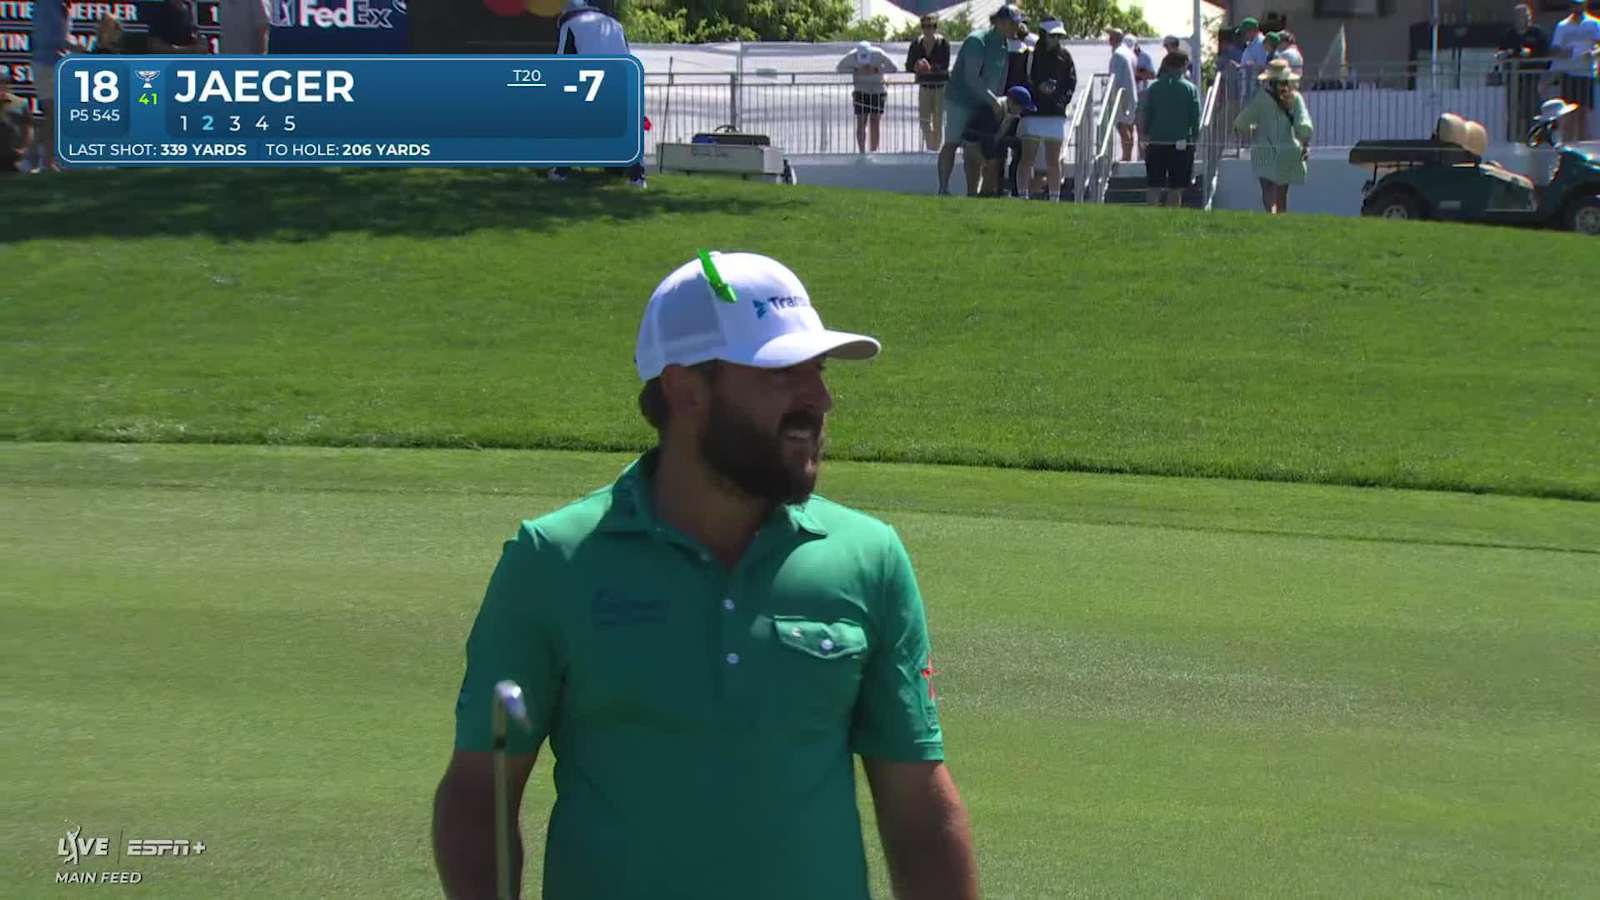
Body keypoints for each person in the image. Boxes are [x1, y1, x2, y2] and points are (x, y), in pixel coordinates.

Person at [431, 250, 980, 900]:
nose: (821, 399)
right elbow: (480, 793)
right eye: (784, 372)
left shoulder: (869, 559)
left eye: (820, 370)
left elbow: (919, 807)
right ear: (685, 387)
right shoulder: (552, 561)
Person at [552, 0, 646, 187]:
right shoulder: (614, 25)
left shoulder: (570, 25)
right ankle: (636, 176)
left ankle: (560, 170)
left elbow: (562, 61)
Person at [937, 5, 1021, 195]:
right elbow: (971, 78)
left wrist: (998, 104)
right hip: (960, 101)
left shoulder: (1003, 45)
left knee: (973, 147)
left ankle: (972, 193)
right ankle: (943, 188)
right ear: (998, 21)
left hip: (983, 104)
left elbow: (1000, 79)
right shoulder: (977, 41)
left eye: (1016, 24)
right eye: (1011, 24)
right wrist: (993, 102)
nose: (1015, 28)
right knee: (952, 143)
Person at [1233, 58, 1313, 214]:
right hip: (1287, 148)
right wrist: (1304, 140)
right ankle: (1281, 216)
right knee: (1282, 191)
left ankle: (1270, 214)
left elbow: (1242, 122)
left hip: (1264, 149)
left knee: (1267, 188)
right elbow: (1303, 123)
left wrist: (1249, 131)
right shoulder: (1295, 98)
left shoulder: (1261, 98)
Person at [1016, 18, 1076, 199]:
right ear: (1043, 35)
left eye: (1059, 36)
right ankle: (1022, 195)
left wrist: (1061, 101)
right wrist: (1036, 90)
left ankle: (1055, 198)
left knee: (1053, 160)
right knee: (1027, 159)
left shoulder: (1065, 57)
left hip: (1055, 115)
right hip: (1033, 113)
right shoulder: (1030, 56)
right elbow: (1022, 80)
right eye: (1052, 36)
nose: (1056, 40)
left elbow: (1070, 83)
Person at [1139, 50, 1200, 207]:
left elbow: (1148, 112)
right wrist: (1195, 136)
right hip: (1181, 142)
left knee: (1154, 185)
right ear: (1184, 65)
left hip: (1156, 141)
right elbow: (1195, 116)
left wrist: (1144, 133)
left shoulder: (1154, 88)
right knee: (1176, 187)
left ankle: (1150, 217)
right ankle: (1171, 218)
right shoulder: (1190, 89)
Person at [961, 84, 1033, 196]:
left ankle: (987, 194)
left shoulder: (1012, 115)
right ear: (1012, 102)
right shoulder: (991, 109)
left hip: (987, 144)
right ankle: (980, 194)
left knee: (995, 162)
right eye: (1021, 107)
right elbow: (988, 137)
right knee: (974, 186)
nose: (1021, 111)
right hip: (973, 145)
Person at [1497, 4, 1550, 141]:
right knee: (1513, 111)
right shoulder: (1509, 34)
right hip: (1514, 79)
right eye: (1521, 16)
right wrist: (1504, 54)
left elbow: (1545, 55)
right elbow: (1501, 52)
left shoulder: (1537, 34)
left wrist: (1532, 54)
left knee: (1532, 110)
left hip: (1532, 78)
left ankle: (1533, 139)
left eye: (1527, 15)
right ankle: (1513, 139)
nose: (1525, 19)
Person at [27, 0, 68, 173]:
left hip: (53, 63)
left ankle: (47, 161)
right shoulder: (47, 4)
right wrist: (70, 45)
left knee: (54, 116)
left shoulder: (59, 4)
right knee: (53, 114)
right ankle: (31, 158)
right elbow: (47, 39)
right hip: (45, 64)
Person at [1550, 0, 1600, 141]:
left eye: (1580, 3)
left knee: (1584, 113)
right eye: (1575, 4)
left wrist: (1593, 53)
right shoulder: (1563, 25)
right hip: (1569, 73)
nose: (1578, 7)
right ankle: (1568, 145)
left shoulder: (1594, 23)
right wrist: (1565, 53)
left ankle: (1583, 145)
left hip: (1587, 73)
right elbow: (1555, 48)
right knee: (1569, 113)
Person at [837, 41, 898, 154]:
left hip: (877, 90)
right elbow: (839, 68)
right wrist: (856, 70)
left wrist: (877, 70)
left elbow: (894, 67)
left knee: (875, 121)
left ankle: (874, 150)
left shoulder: (878, 54)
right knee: (861, 122)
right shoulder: (851, 56)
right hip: (861, 91)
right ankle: (862, 152)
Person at [906, 14, 951, 151]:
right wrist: (917, 66)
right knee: (924, 120)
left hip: (940, 86)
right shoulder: (916, 44)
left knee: (938, 121)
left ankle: (935, 150)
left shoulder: (943, 43)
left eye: (931, 26)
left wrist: (930, 68)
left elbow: (945, 64)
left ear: (935, 27)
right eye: (925, 26)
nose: (928, 29)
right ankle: (932, 147)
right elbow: (909, 65)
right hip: (924, 86)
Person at [0, 70, 33, 173]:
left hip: (11, 154)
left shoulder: (20, 103)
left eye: (4, 83)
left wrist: (24, 149)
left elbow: (28, 127)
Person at [1238, 17, 1269, 84]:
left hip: (1256, 86)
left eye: (1244, 32)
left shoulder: (1261, 44)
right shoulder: (1251, 44)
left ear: (1252, 31)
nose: (1242, 35)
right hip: (1248, 85)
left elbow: (1263, 66)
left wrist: (1250, 65)